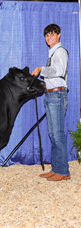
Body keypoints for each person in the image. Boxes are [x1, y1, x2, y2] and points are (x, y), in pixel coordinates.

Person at [32, 24, 70, 181]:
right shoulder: (53, 53)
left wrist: (41, 69)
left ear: (59, 35)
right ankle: (56, 168)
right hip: (51, 95)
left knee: (58, 134)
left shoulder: (60, 52)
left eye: (52, 34)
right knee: (53, 134)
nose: (49, 38)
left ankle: (63, 171)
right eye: (47, 35)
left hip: (57, 96)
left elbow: (59, 70)